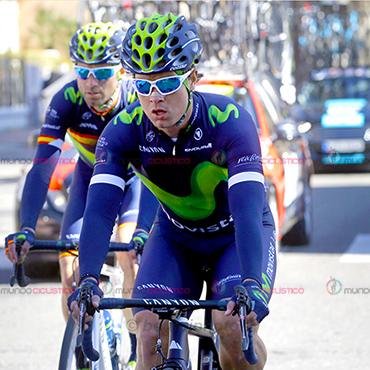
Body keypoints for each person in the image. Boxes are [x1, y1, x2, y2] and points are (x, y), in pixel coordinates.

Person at [68, 13, 277, 370]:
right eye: (143, 86)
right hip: (175, 238)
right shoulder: (123, 131)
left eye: (166, 84)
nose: (154, 99)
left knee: (231, 325)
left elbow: (246, 213)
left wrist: (253, 284)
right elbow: (101, 212)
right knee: (148, 327)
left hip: (234, 236)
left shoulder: (230, 121)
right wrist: (87, 277)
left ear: (193, 78)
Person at [5, 21, 144, 370]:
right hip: (89, 180)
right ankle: (81, 346)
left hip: (134, 182)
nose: (90, 83)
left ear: (122, 71)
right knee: (69, 266)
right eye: (82, 71)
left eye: (101, 73)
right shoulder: (66, 100)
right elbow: (42, 166)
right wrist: (27, 227)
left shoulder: (137, 100)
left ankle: (132, 339)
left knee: (130, 254)